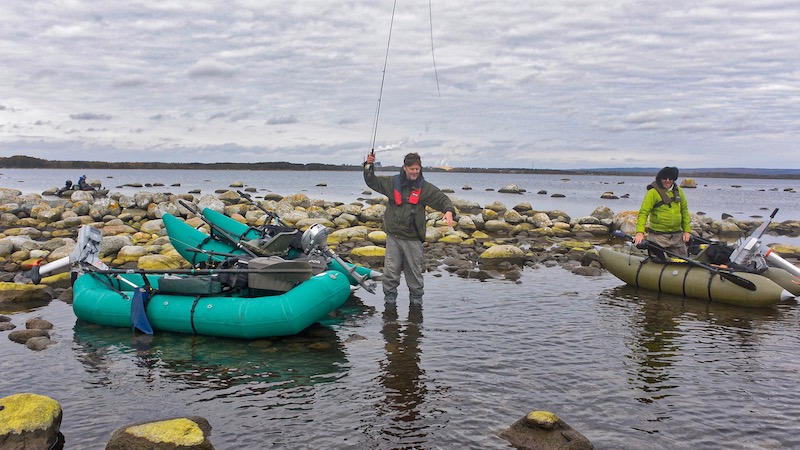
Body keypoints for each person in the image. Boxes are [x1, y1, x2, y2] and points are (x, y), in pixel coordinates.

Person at [364, 151, 455, 305]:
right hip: (394, 237)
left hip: (413, 239)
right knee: (390, 274)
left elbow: (442, 199)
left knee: (414, 275)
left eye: (417, 169)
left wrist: (449, 211)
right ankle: (389, 305)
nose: (414, 172)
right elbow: (372, 182)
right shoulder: (392, 183)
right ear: (405, 168)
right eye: (411, 169)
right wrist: (369, 165)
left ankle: (416, 306)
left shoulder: (425, 188)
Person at [633, 166, 691, 257]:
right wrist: (640, 232)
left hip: (676, 235)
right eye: (664, 178)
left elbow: (684, 211)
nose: (667, 180)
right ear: (660, 179)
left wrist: (686, 231)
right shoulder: (652, 192)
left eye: (670, 178)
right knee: (656, 259)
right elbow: (643, 213)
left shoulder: (679, 191)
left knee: (683, 259)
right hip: (658, 236)